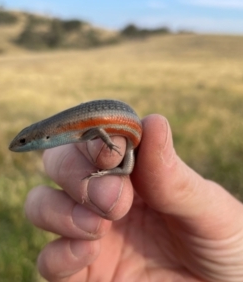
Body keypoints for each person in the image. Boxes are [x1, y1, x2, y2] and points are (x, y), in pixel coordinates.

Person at [25, 114, 243, 282]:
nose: (19, 147)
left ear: (42, 137)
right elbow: (96, 130)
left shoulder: (73, 130)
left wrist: (109, 144)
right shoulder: (69, 131)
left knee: (110, 158)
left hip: (130, 135)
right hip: (127, 146)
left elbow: (98, 129)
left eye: (24, 141)